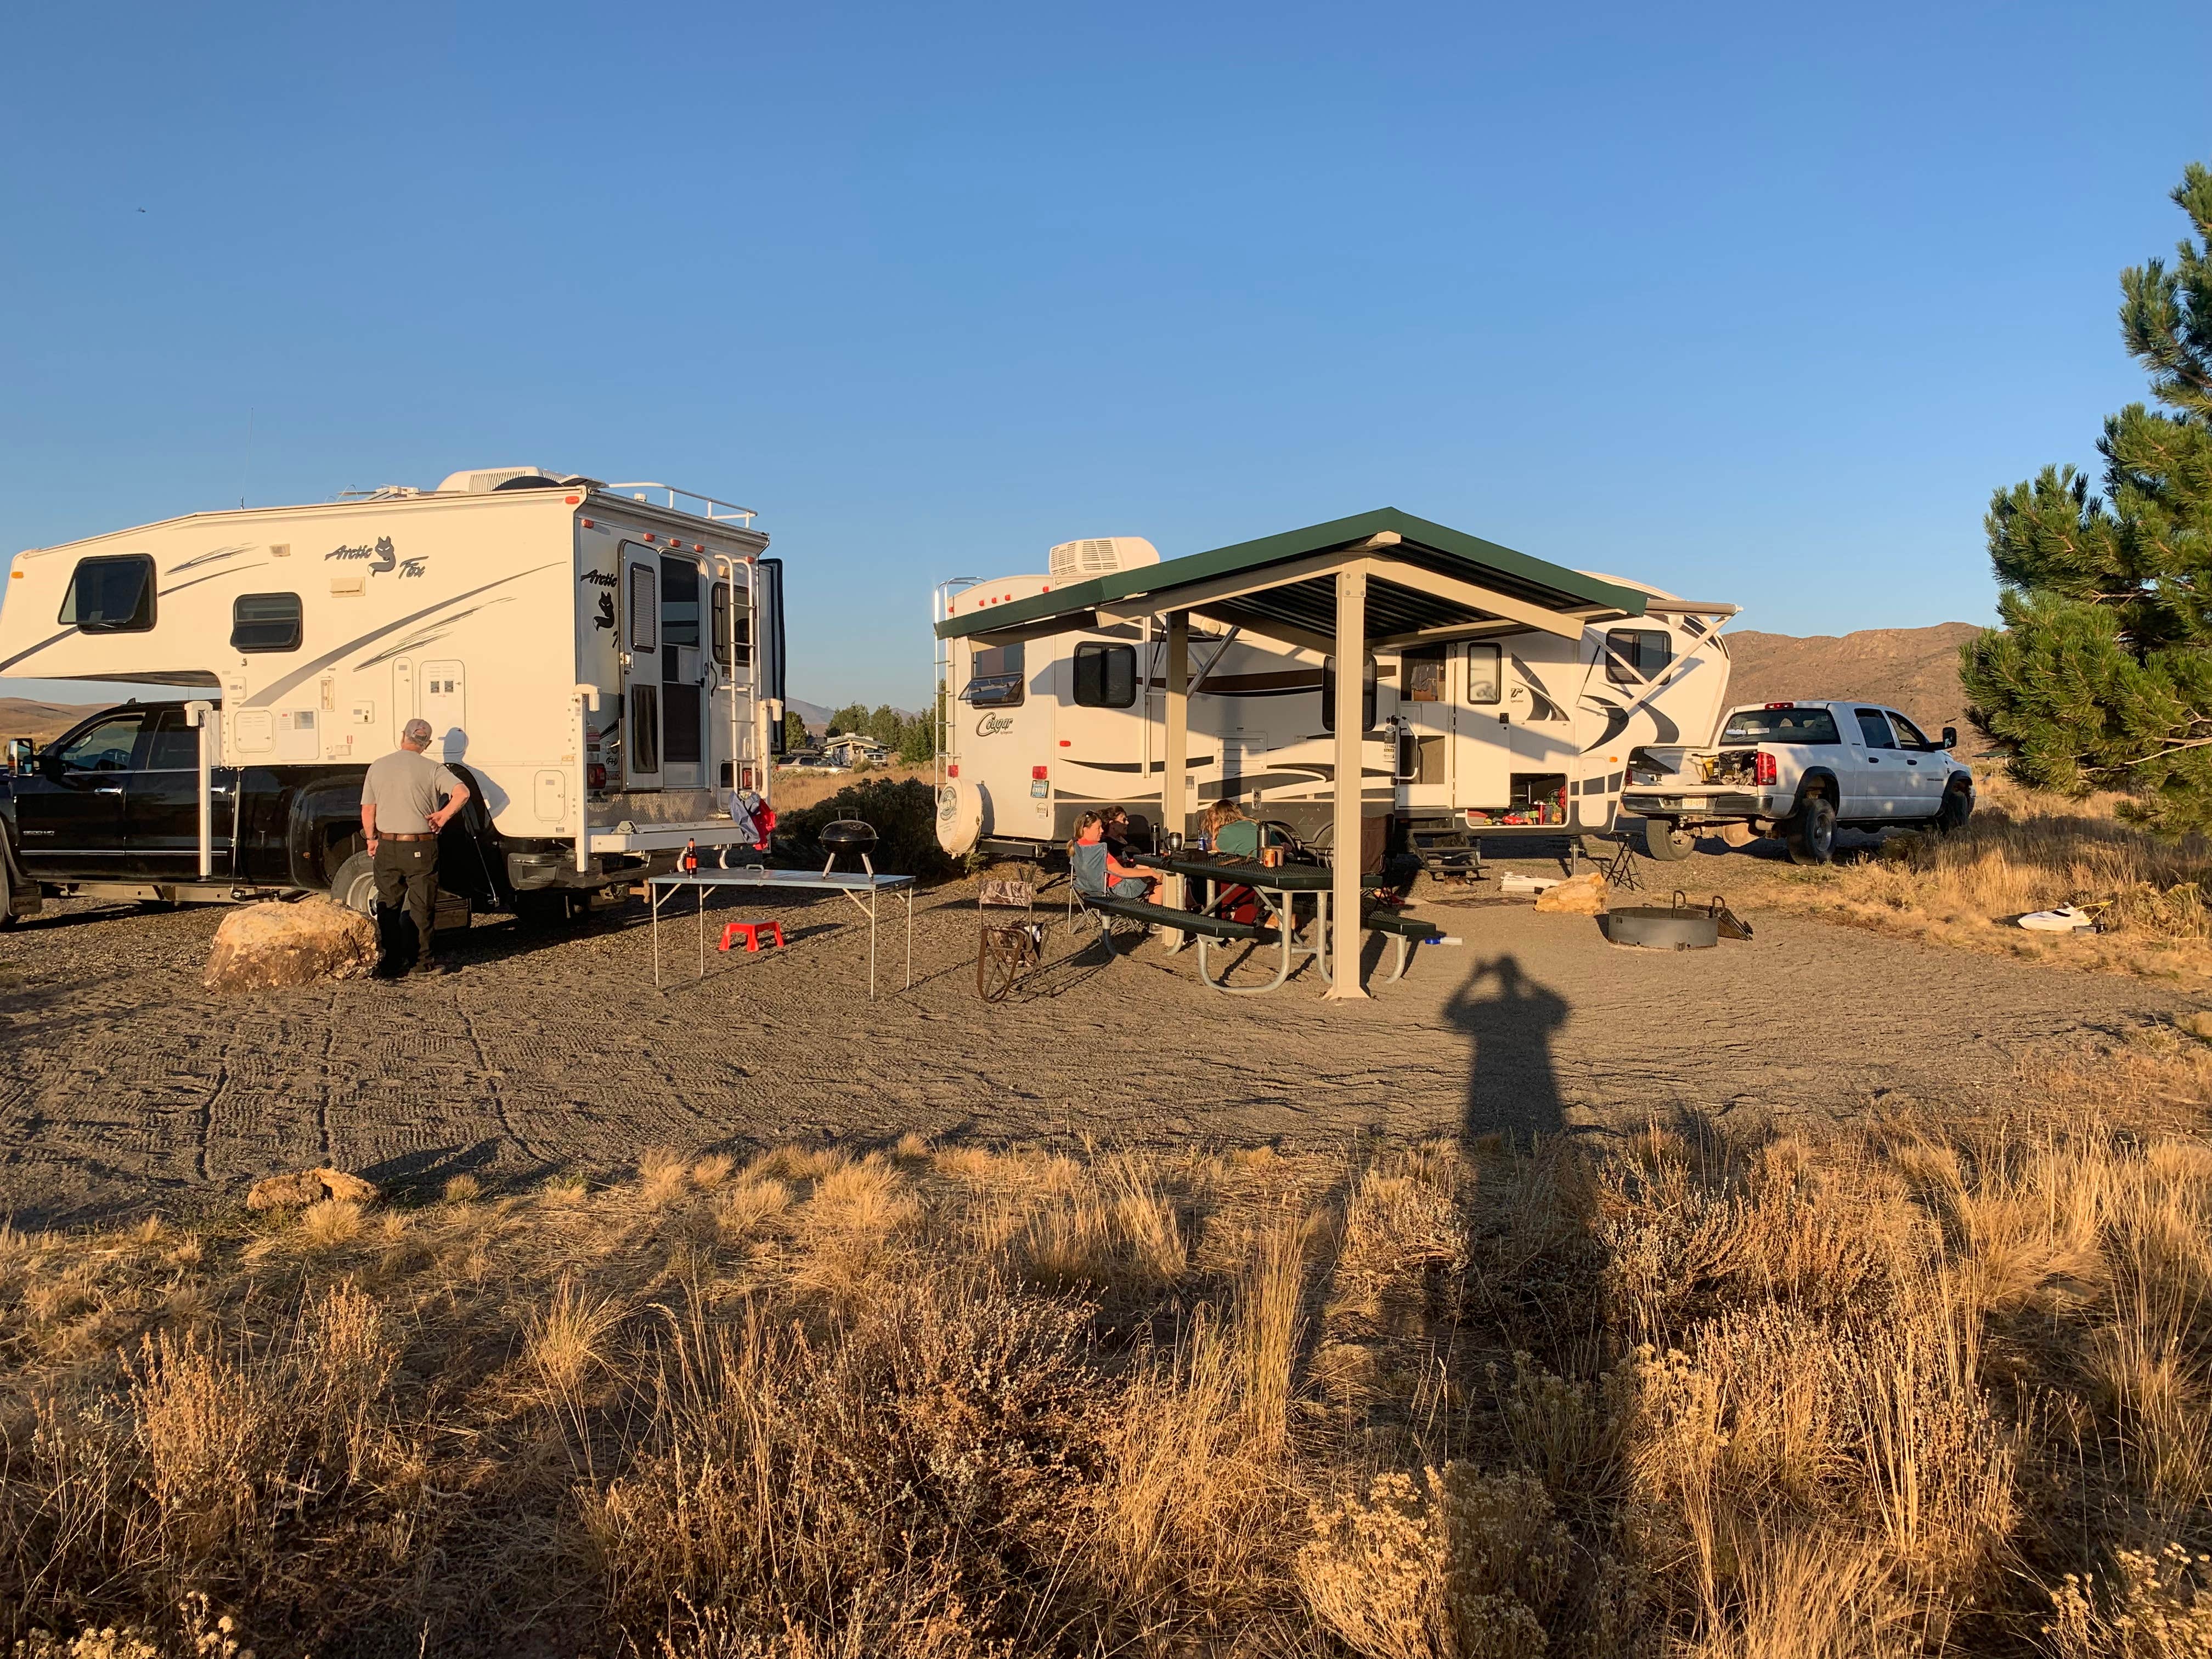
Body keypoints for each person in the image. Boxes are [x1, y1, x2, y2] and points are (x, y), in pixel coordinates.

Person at [360, 719, 470, 977]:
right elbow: (462, 793)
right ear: (427, 744)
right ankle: (421, 964)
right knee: (422, 906)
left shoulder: (378, 766)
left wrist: (371, 839)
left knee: (388, 903)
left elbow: (368, 809)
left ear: (403, 737)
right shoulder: (433, 768)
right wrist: (443, 815)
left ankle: (390, 963)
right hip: (421, 846)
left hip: (387, 844)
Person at [1071, 810, 1159, 900]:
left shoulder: (1078, 845)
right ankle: (1154, 912)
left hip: (1092, 889)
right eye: (1098, 828)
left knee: (1144, 868)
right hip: (1120, 890)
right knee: (1159, 877)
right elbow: (1121, 872)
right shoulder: (1098, 849)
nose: (1102, 830)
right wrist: (1151, 873)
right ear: (1086, 830)